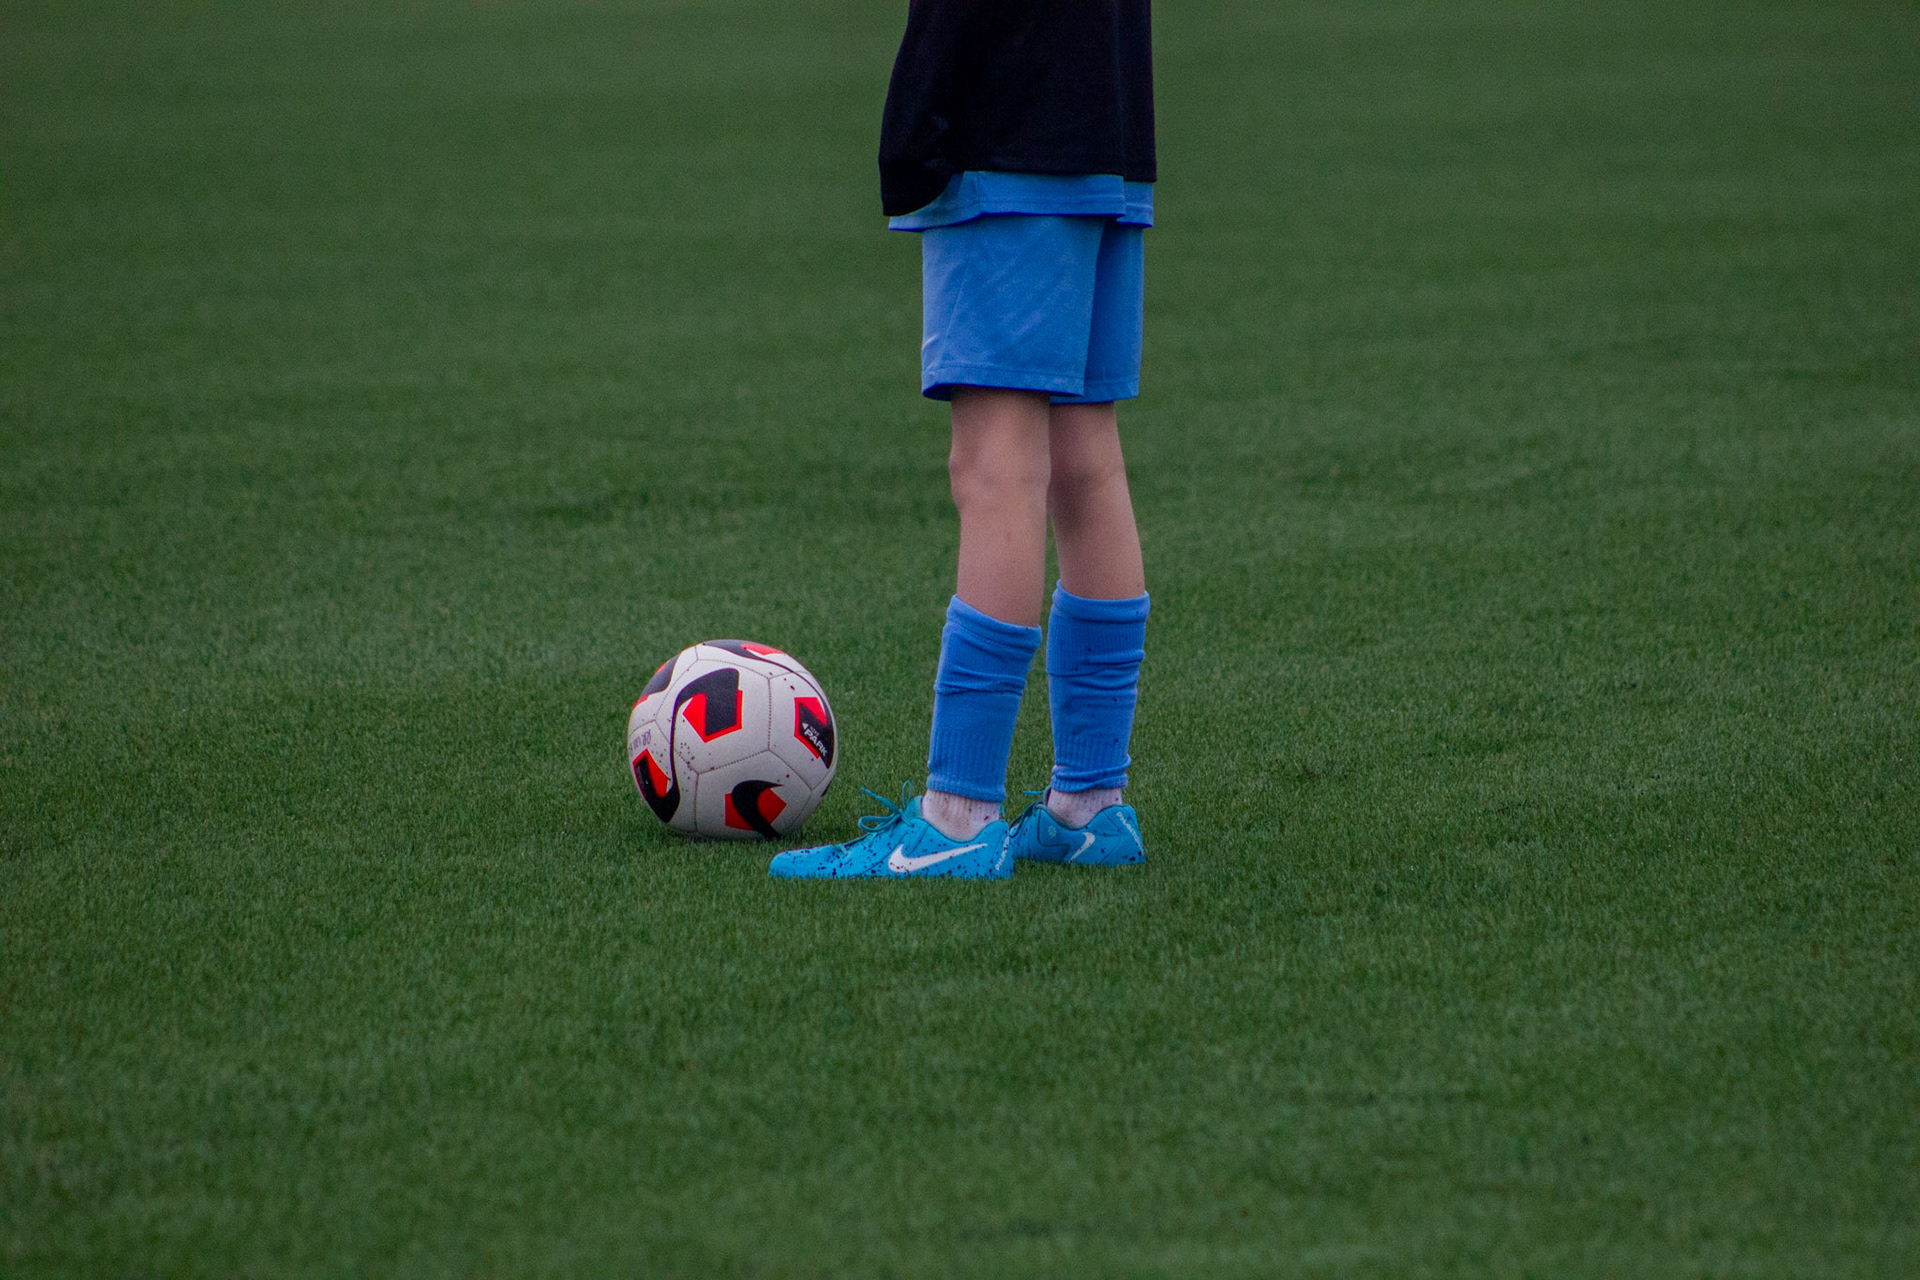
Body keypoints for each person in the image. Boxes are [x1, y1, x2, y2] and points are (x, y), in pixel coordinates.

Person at [771, 0, 1156, 879]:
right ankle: (1091, 807)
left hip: (1007, 140)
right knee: (1084, 462)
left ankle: (956, 818)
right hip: (1109, 136)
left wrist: (916, 124)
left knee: (995, 468)